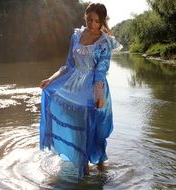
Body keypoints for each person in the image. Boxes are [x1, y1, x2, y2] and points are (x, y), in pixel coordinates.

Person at [39, 3, 122, 178]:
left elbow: (101, 71)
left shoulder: (104, 42)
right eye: (89, 19)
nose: (92, 24)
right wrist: (51, 79)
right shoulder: (76, 36)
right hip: (73, 86)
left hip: (93, 88)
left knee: (96, 129)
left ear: (102, 22)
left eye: (96, 21)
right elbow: (68, 65)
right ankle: (82, 167)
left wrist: (99, 95)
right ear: (85, 17)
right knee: (78, 127)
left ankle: (100, 166)